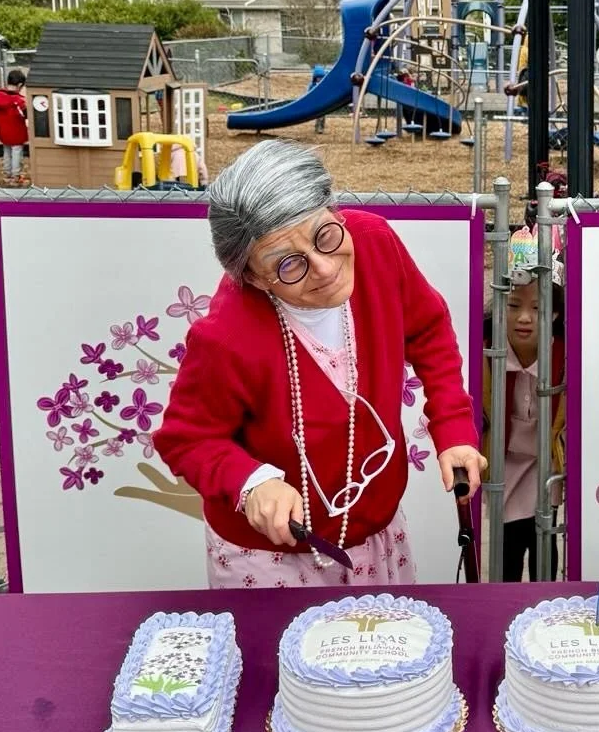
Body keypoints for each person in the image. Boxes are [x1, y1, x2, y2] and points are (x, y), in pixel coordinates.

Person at [155, 139, 486, 589]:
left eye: (325, 235)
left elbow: (428, 330)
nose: (326, 269)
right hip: (269, 557)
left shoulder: (375, 243)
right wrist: (251, 482)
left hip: (374, 529)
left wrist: (452, 425)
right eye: (290, 264)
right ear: (251, 276)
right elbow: (186, 439)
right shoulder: (225, 336)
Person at [483, 242, 565, 581]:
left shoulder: (566, 355)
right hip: (505, 463)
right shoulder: (486, 356)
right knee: (507, 544)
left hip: (547, 465)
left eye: (537, 307)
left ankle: (546, 603)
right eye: (513, 305)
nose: (524, 317)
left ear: (557, 313)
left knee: (544, 536)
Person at [0, 69, 29, 186]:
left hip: (3, 131)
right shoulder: (18, 100)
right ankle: (15, 176)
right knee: (16, 153)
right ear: (19, 85)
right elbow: (25, 114)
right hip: (16, 132)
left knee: (7, 152)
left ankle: (7, 175)